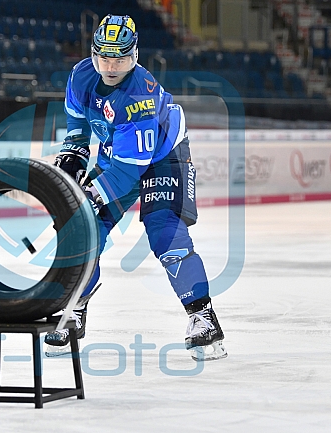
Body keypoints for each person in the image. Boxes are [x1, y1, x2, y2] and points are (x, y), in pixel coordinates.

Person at [44, 14, 227, 361]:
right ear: (93, 55)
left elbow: (127, 176)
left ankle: (202, 317)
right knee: (82, 230)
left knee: (164, 232)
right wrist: (70, 167)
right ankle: (76, 308)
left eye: (121, 58)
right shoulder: (81, 76)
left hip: (163, 157)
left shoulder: (139, 96)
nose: (112, 66)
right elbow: (78, 130)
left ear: (135, 57)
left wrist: (85, 196)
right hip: (120, 154)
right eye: (105, 58)